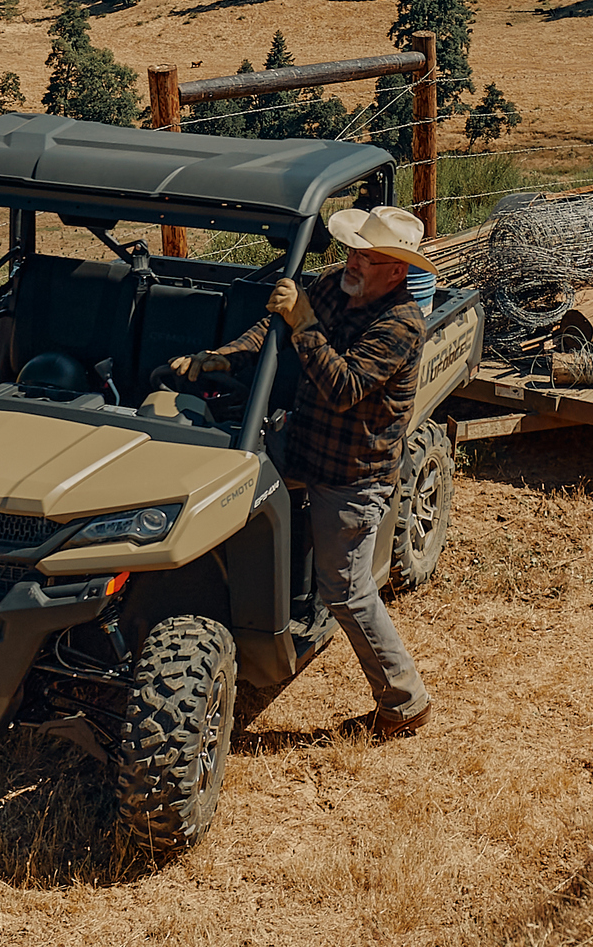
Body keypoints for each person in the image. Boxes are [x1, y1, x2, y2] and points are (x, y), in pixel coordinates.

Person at [169, 203, 434, 738]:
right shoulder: (339, 285)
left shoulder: (402, 325)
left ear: (396, 271)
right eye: (353, 250)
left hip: (352, 473)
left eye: (366, 257)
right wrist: (225, 356)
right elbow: (274, 326)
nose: (353, 261)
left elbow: (343, 388)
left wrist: (304, 322)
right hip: (302, 443)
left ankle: (405, 701)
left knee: (346, 590)